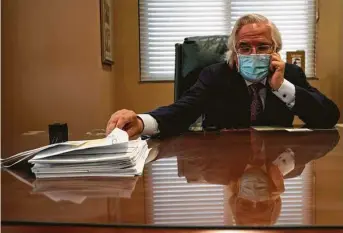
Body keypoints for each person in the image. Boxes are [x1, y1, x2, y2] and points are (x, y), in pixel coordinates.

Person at [106, 14, 340, 138]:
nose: (254, 53)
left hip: (276, 161)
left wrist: (281, 87)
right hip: (224, 161)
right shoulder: (215, 75)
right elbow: (182, 112)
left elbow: (328, 117)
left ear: (276, 50)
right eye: (245, 47)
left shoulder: (290, 73)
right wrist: (140, 121)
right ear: (234, 51)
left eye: (263, 47)